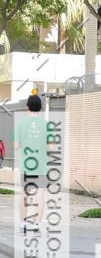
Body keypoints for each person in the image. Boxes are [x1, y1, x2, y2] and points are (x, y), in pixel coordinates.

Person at [13, 90, 47, 232]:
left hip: (26, 165)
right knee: (40, 194)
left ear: (27, 107)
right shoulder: (46, 125)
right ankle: (37, 224)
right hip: (41, 166)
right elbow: (51, 147)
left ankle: (23, 223)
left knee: (24, 194)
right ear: (40, 108)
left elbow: (16, 146)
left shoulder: (20, 124)